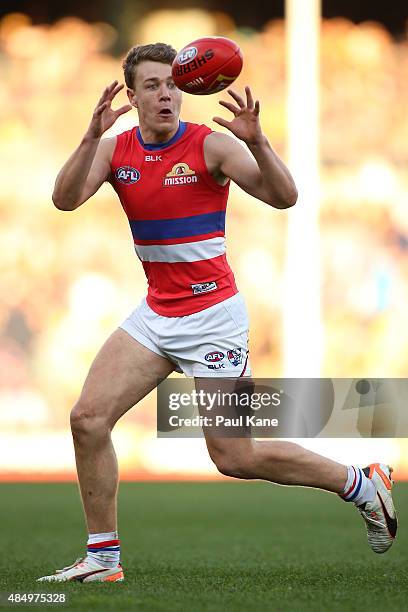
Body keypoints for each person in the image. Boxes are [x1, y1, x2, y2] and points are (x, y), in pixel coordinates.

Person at [38, 43, 397, 583]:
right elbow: (65, 200)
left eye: (172, 84)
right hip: (157, 314)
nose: (166, 94)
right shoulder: (114, 151)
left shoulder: (212, 146)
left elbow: (285, 197)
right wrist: (90, 138)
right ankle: (103, 560)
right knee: (87, 419)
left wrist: (260, 141)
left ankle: (361, 482)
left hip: (213, 317)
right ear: (131, 96)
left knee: (234, 456)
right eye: (153, 86)